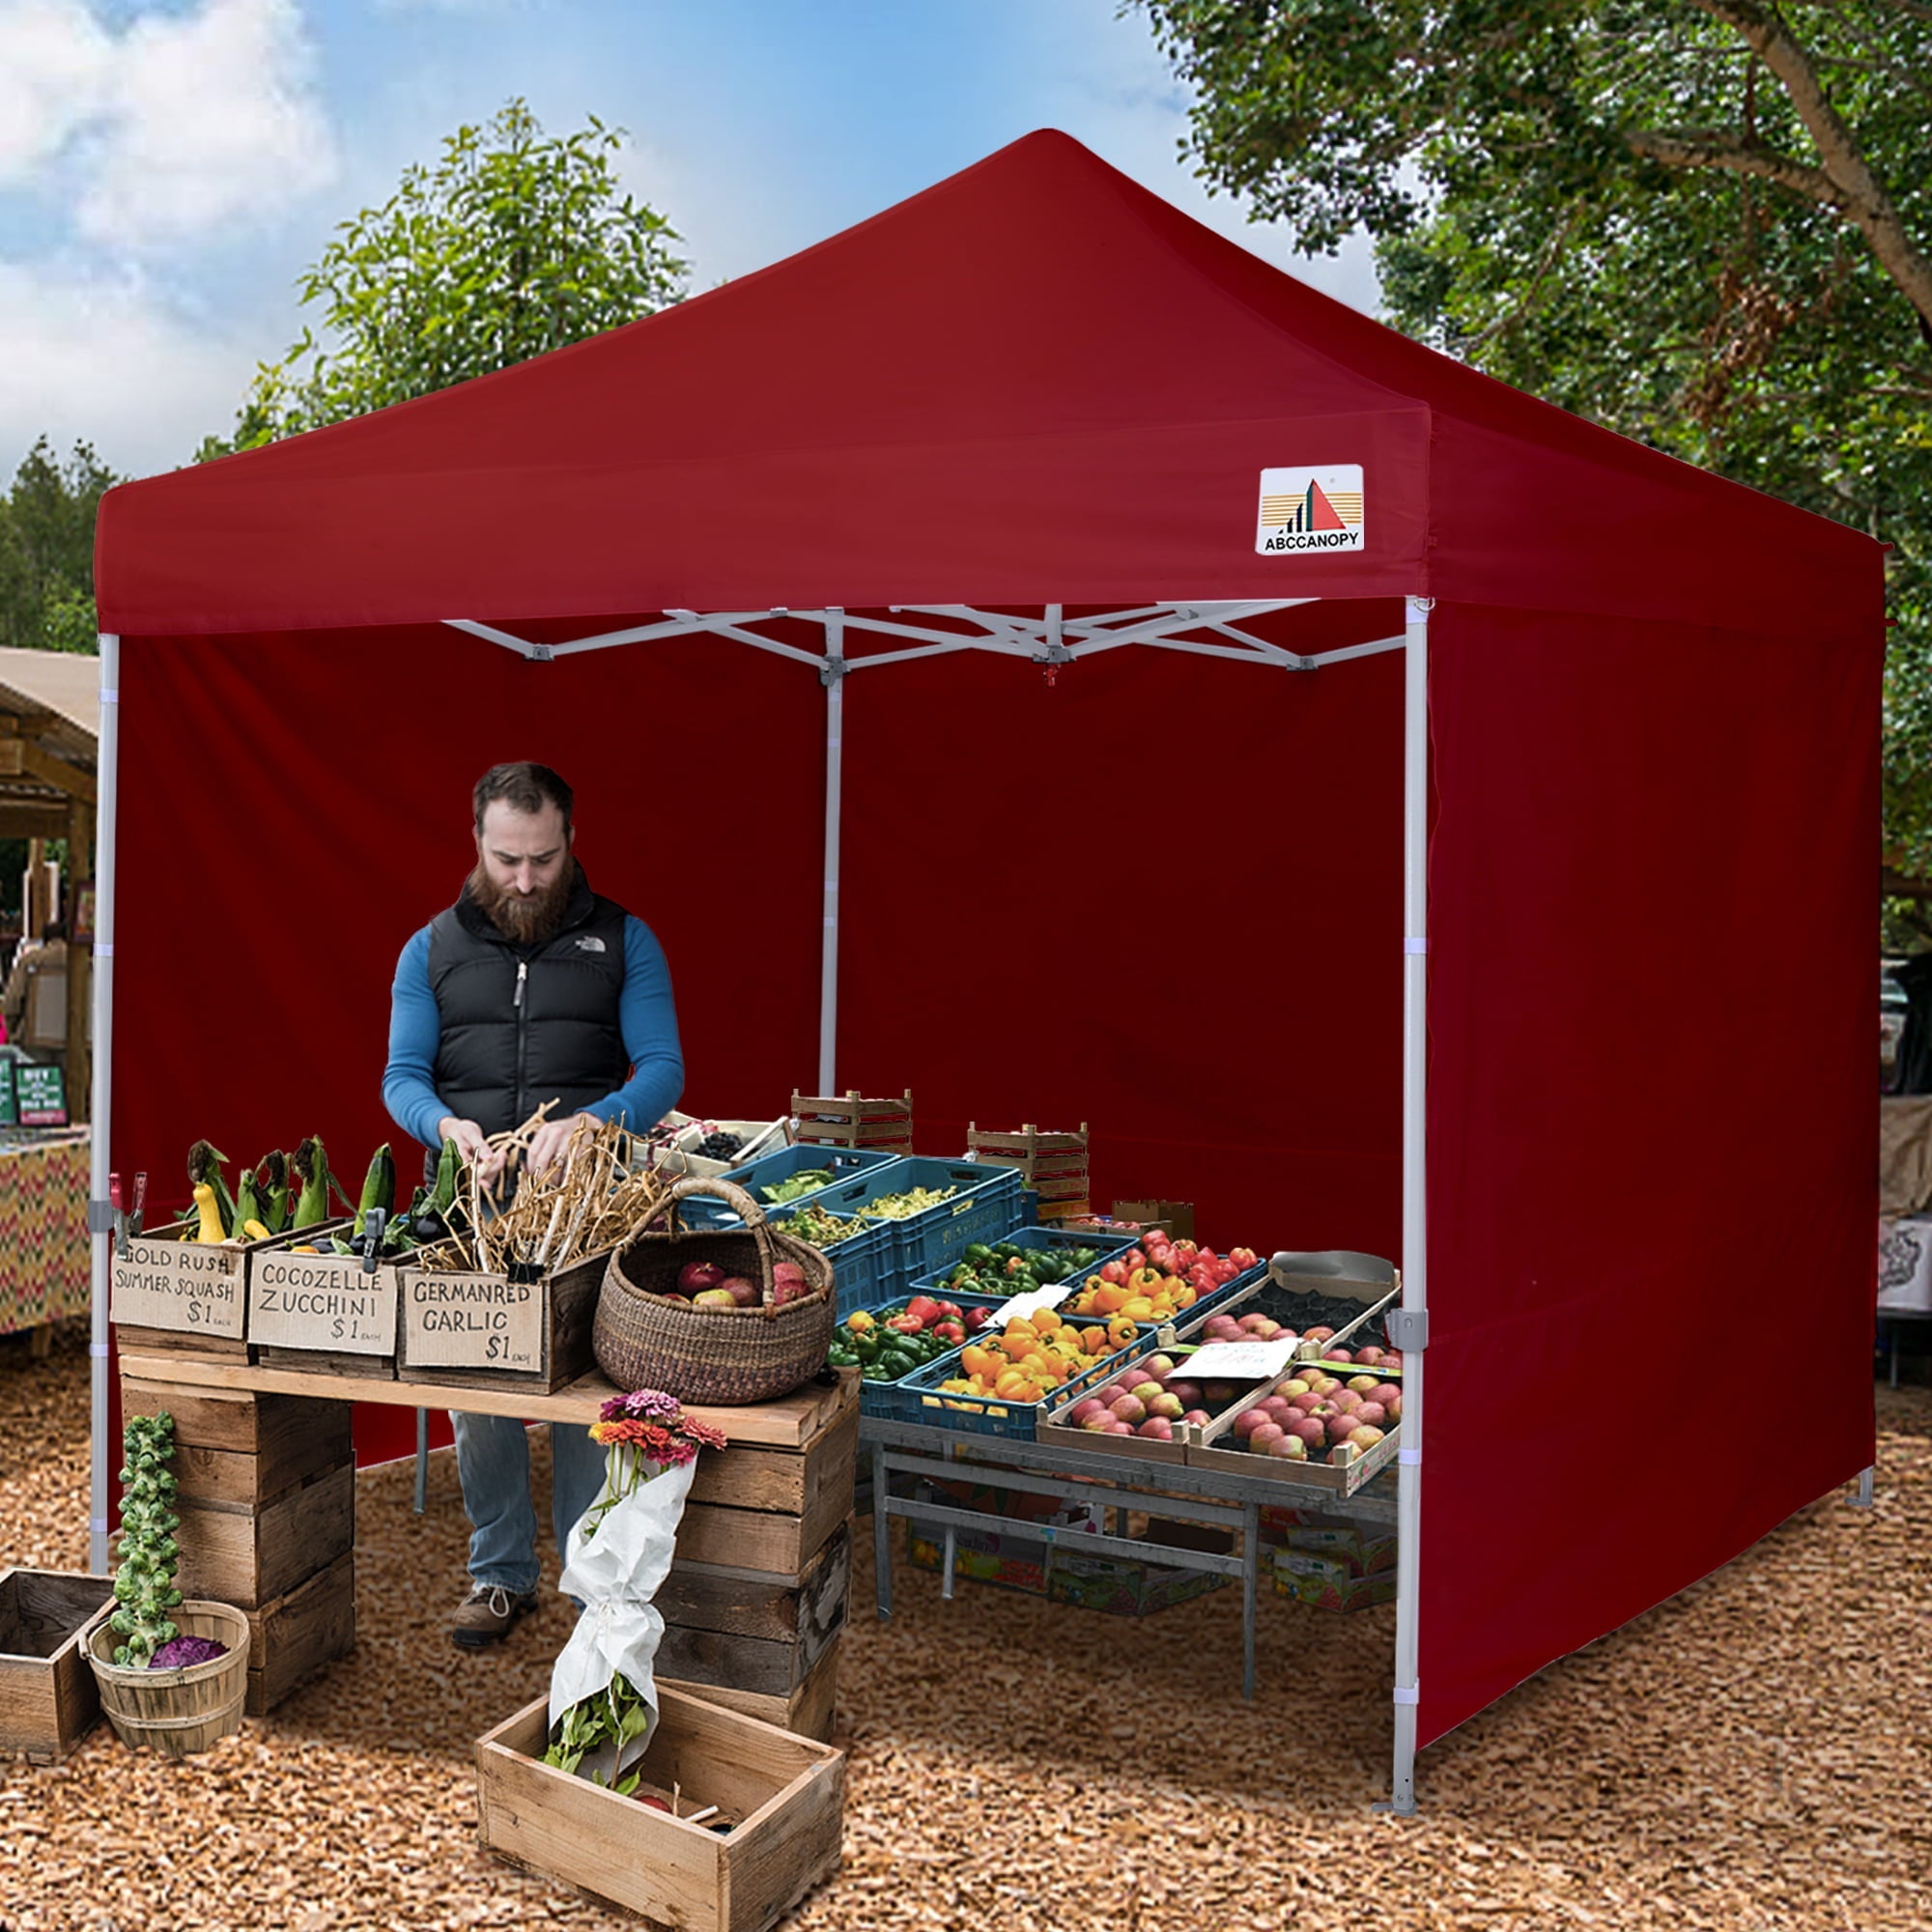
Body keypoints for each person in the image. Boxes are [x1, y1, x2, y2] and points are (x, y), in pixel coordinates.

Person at [383, 761, 684, 1648]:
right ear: (477, 842)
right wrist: (445, 1128)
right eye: (506, 859)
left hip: (590, 1212)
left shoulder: (625, 940)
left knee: (590, 1391)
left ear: (571, 843)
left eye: (542, 860)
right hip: (476, 1213)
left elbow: (663, 1068)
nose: (523, 880)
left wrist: (595, 1123)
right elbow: (402, 1077)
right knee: (480, 1393)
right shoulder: (430, 949)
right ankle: (500, 1573)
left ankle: (592, 1586)